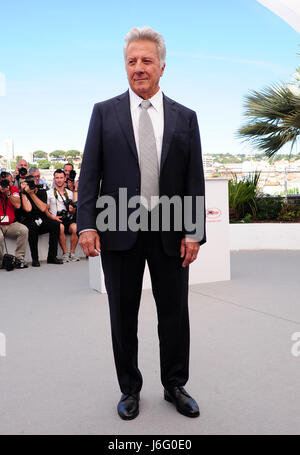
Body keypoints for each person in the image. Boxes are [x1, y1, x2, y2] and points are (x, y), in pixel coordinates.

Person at [77, 26, 206, 420]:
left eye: (146, 60)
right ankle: (129, 389)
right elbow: (90, 173)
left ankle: (175, 385)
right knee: (123, 315)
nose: (138, 68)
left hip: (170, 230)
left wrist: (194, 232)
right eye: (131, 61)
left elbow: (193, 179)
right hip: (119, 229)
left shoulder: (186, 118)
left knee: (174, 313)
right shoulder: (104, 112)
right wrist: (86, 224)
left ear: (162, 66)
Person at [16, 170, 62, 267]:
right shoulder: (22, 194)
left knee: (55, 224)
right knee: (32, 226)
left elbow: (43, 208)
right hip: (27, 220)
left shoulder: (41, 192)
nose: (33, 184)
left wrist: (32, 194)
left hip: (40, 219)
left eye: (35, 181)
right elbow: (28, 209)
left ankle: (52, 257)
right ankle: (35, 259)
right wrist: (24, 192)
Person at [46, 169, 79, 262]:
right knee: (60, 227)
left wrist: (72, 210)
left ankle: (72, 253)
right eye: (57, 178)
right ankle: (65, 253)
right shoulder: (49, 193)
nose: (59, 180)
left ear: (65, 178)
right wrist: (53, 217)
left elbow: (73, 210)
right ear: (54, 179)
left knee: (75, 227)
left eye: (61, 178)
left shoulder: (69, 193)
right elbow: (46, 210)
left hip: (68, 217)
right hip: (56, 218)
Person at [0, 173, 29, 269]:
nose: (5, 184)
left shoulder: (14, 189)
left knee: (23, 230)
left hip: (10, 224)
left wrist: (8, 193)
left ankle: (19, 259)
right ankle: (0, 261)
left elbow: (17, 205)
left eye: (8, 182)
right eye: (3, 182)